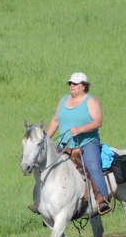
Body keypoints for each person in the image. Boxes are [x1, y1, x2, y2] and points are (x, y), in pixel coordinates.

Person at [30, 72, 111, 215]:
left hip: (87, 144)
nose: (71, 86)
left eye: (75, 84)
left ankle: (102, 199)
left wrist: (80, 129)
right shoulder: (64, 100)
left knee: (93, 167)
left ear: (84, 86)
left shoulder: (91, 101)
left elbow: (98, 121)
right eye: (70, 83)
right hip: (64, 145)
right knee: (45, 167)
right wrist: (45, 139)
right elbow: (55, 120)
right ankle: (41, 203)